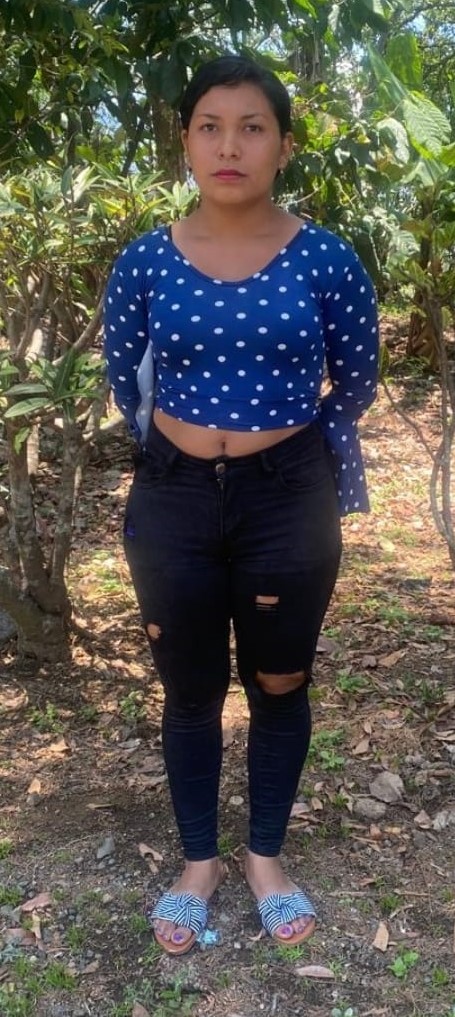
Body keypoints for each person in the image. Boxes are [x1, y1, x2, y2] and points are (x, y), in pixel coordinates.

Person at [104, 54, 379, 956]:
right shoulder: (146, 259)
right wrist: (180, 448)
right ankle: (198, 864)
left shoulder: (326, 257)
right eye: (210, 127)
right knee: (188, 690)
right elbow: (125, 376)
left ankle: (263, 856)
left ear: (283, 146)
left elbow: (356, 378)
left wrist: (287, 455)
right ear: (185, 142)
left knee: (279, 681)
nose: (230, 146)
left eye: (252, 128)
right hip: (173, 497)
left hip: (286, 499)